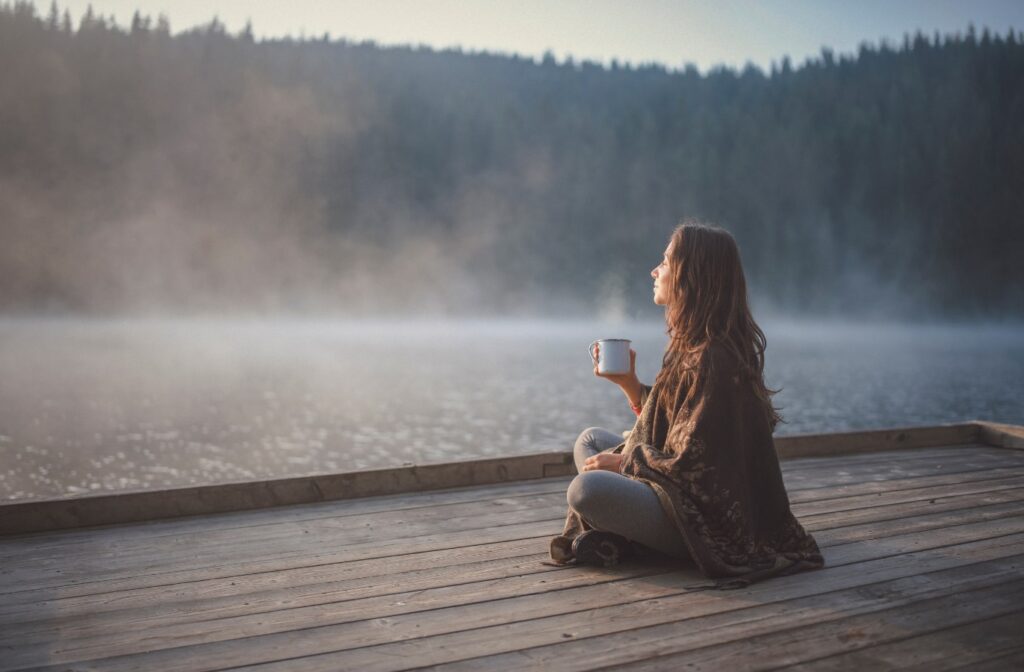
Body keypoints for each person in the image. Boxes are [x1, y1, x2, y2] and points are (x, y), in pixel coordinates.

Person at [548, 220, 825, 589]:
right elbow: (675, 424)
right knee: (591, 441)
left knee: (587, 491)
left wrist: (625, 462)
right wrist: (629, 385)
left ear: (690, 275)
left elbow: (697, 466)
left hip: (708, 522)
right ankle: (621, 532)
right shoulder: (693, 345)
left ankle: (628, 537)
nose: (655, 270)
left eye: (664, 261)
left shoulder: (714, 357)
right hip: (678, 491)